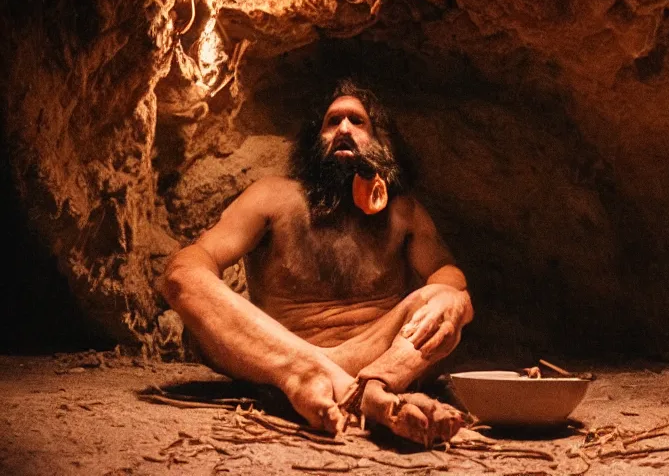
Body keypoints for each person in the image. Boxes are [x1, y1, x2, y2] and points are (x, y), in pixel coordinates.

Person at [161, 79, 469, 445]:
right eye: (332, 122)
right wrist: (293, 358)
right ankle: (357, 391)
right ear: (314, 141)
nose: (343, 129)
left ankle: (362, 382)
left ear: (381, 143)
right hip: (275, 356)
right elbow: (200, 260)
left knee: (451, 299)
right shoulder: (273, 195)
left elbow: (445, 273)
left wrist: (451, 296)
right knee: (182, 273)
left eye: (357, 122)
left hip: (377, 353)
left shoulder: (403, 212)